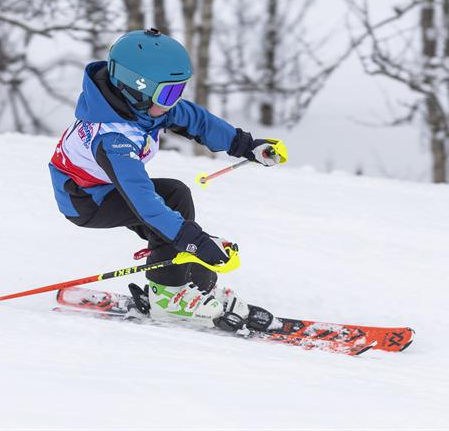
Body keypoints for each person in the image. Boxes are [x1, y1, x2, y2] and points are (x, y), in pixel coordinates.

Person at [48, 29, 287, 330]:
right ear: (135, 89)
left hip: (107, 187)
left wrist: (246, 145)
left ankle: (196, 287)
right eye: (168, 93)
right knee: (172, 206)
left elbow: (196, 121)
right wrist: (196, 241)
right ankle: (168, 298)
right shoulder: (113, 136)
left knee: (173, 209)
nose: (174, 101)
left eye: (178, 90)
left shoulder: (141, 108)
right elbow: (143, 200)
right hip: (85, 200)